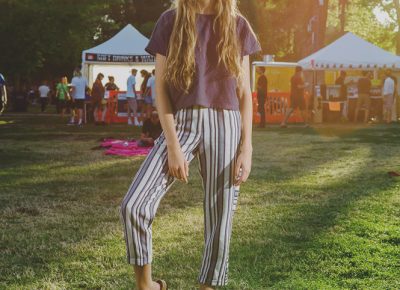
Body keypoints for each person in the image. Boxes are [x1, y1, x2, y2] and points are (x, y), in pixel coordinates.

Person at [119, 0, 261, 289]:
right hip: (181, 122)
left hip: (227, 123)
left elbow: (245, 92)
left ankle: (207, 286)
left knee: (220, 216)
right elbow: (160, 88)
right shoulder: (170, 21)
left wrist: (247, 147)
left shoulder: (238, 24)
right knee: (133, 205)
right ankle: (147, 285)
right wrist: (172, 144)